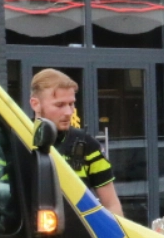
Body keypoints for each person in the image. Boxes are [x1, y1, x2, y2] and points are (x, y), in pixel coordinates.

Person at [28, 69, 123, 215]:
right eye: (59, 105)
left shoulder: (88, 145)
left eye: (71, 104)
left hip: (77, 234)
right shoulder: (19, 138)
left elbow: (111, 204)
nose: (69, 112)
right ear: (35, 104)